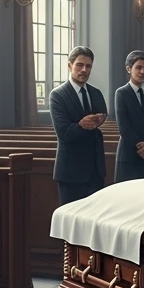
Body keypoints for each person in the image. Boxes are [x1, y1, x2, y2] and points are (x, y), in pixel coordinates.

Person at [49, 46, 108, 205]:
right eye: (79, 65)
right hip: (71, 172)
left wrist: (89, 122)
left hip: (95, 171)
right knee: (71, 223)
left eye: (88, 66)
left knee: (95, 221)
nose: (84, 70)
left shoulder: (96, 93)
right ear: (70, 66)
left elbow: (102, 115)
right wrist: (83, 125)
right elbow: (64, 133)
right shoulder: (58, 95)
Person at [114, 50, 144, 183]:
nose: (142, 72)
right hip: (129, 157)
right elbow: (124, 127)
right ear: (129, 69)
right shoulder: (121, 93)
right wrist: (142, 148)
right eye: (138, 67)